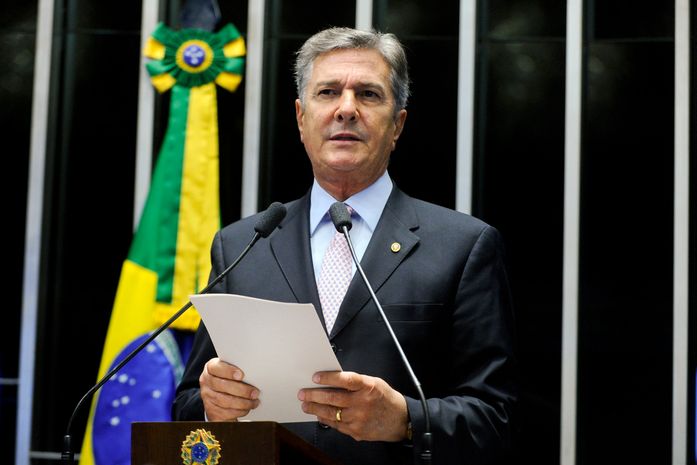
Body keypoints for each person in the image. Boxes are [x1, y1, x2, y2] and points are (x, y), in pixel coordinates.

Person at [173, 27, 516, 465]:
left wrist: (406, 419)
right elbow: (188, 405)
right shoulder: (242, 245)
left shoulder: (463, 247)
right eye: (328, 92)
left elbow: (496, 419)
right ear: (301, 118)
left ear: (397, 124)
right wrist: (213, 406)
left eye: (368, 94)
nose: (347, 109)